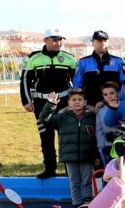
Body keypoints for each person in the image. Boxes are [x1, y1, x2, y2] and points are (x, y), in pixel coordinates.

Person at [20, 29, 77, 179]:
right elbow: (25, 80)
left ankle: (68, 169)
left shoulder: (69, 58)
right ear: (45, 40)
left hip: (64, 102)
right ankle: (50, 168)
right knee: (46, 136)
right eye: (55, 40)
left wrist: (76, 101)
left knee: (66, 137)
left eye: (60, 40)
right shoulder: (34, 58)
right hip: (41, 103)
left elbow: (77, 82)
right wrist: (26, 101)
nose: (59, 43)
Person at [39, 90, 96, 208]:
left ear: (85, 102)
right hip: (69, 156)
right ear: (69, 102)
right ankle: (77, 205)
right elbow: (44, 118)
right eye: (74, 100)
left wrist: (96, 155)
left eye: (80, 100)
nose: (77, 102)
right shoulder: (62, 117)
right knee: (74, 182)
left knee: (87, 181)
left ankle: (87, 205)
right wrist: (51, 104)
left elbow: (96, 137)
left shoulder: (92, 117)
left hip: (87, 155)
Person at [73, 30, 125, 107]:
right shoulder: (83, 62)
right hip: (90, 106)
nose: (103, 43)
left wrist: (119, 103)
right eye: (99, 40)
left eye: (105, 40)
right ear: (93, 43)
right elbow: (77, 86)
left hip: (113, 105)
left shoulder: (118, 62)